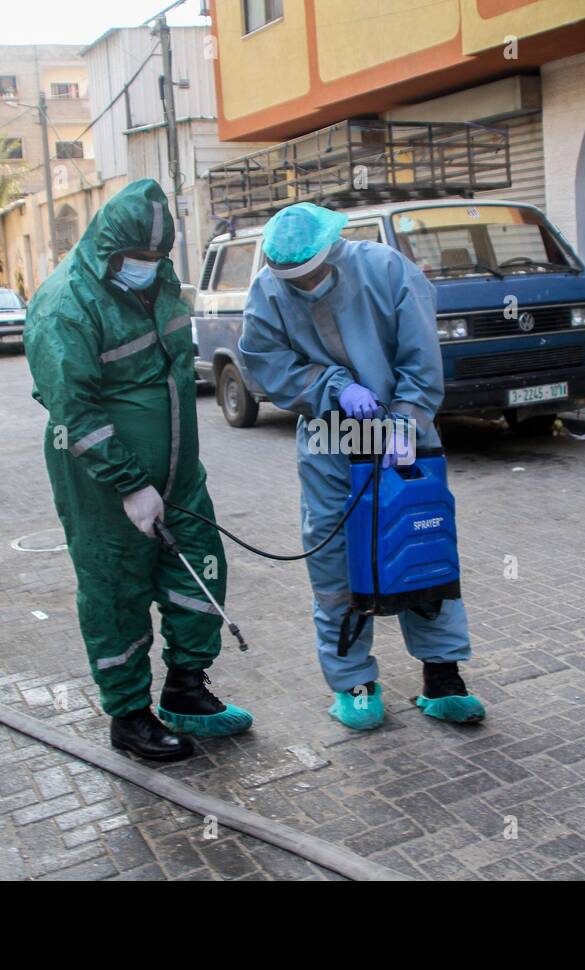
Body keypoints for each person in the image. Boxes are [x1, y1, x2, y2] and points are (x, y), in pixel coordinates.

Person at [24, 179, 252, 762]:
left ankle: (186, 690)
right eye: (137, 259)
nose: (147, 268)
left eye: (156, 258)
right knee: (115, 589)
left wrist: (170, 473)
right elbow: (73, 411)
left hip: (179, 472)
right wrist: (129, 483)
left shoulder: (162, 286)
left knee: (198, 570)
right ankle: (129, 716)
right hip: (102, 485)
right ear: (107, 249)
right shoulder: (65, 305)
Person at [239, 202, 485, 730]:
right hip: (330, 435)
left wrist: (404, 423)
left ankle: (443, 679)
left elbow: (421, 357)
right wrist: (333, 388)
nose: (303, 286)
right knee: (335, 561)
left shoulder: (387, 270)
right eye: (292, 279)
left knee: (421, 546)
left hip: (403, 432)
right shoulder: (268, 289)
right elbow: (265, 362)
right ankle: (354, 683)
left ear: (333, 250)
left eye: (310, 274)